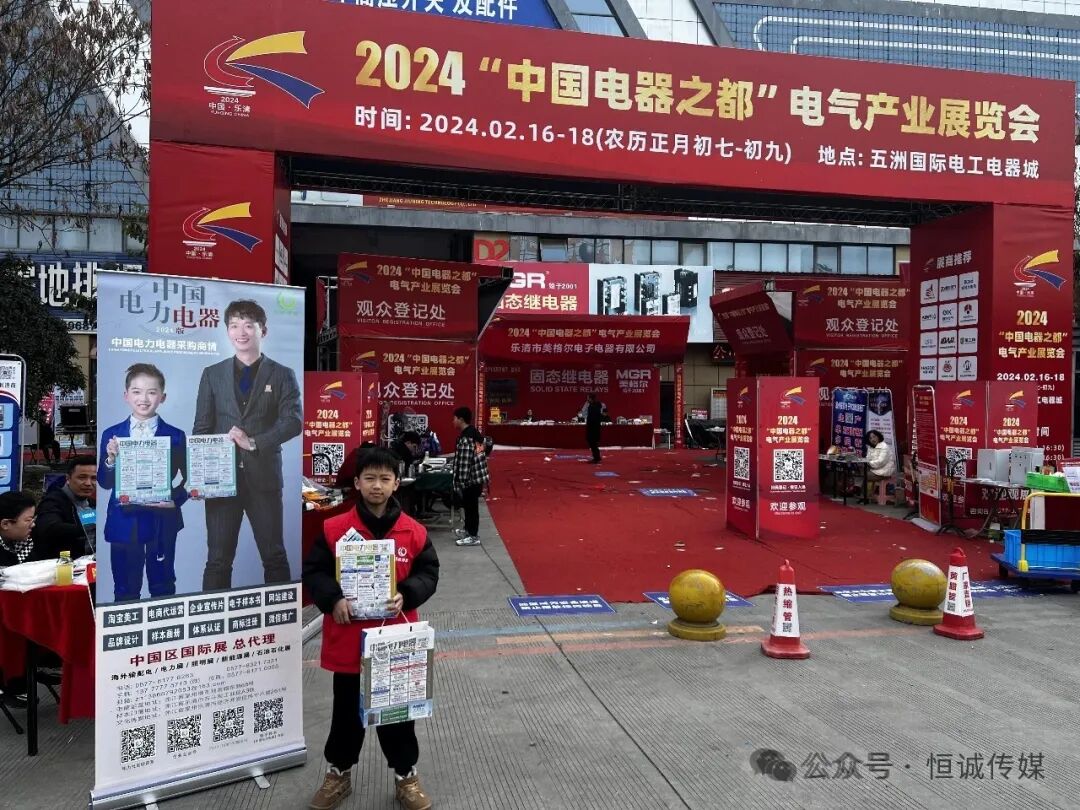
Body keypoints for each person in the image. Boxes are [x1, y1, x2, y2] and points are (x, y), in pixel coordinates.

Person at [303, 447, 439, 810]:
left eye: (384, 479)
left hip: (395, 642)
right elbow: (314, 572)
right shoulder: (334, 530)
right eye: (369, 478)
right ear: (357, 483)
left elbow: (429, 573)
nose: (376, 486)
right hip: (350, 643)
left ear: (396, 484)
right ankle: (338, 774)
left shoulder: (413, 531)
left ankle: (406, 776)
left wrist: (408, 593)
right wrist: (333, 599)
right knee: (346, 716)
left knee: (398, 717)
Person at [193, 299, 302, 590]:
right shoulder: (212, 374)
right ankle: (214, 616)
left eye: (248, 326)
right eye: (234, 326)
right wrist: (200, 476)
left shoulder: (282, 374)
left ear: (262, 330)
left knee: (274, 556)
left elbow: (293, 422)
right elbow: (201, 429)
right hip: (220, 482)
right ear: (227, 331)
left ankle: (278, 615)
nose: (241, 332)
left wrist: (254, 442)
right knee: (217, 560)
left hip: (264, 479)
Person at [98, 363, 188, 602]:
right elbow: (104, 482)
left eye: (152, 392)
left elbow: (191, 477)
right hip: (124, 519)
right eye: (137, 392)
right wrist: (111, 459)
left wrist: (175, 500)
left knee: (163, 586)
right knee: (125, 589)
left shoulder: (176, 435)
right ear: (126, 396)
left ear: (162, 397)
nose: (144, 399)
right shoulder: (112, 434)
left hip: (162, 520)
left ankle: (164, 626)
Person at [34, 454, 97, 557]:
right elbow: (50, 529)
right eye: (82, 477)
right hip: (61, 562)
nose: (88, 483)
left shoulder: (93, 503)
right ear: (68, 478)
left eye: (94, 478)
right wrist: (94, 526)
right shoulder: (52, 501)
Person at [450, 407, 489, 548]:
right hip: (477, 477)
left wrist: (460, 482)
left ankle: (473, 536)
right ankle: (468, 530)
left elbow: (465, 463)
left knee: (471, 508)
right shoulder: (474, 433)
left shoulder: (466, 438)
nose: (453, 421)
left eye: (454, 418)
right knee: (469, 507)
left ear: (461, 419)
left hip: (470, 480)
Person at [581, 393, 604, 464]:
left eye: (588, 398)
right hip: (593, 426)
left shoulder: (594, 406)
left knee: (593, 442)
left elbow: (587, 415)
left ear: (591, 398)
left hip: (593, 427)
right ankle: (596, 457)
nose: (587, 399)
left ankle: (596, 458)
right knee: (592, 442)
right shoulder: (594, 405)